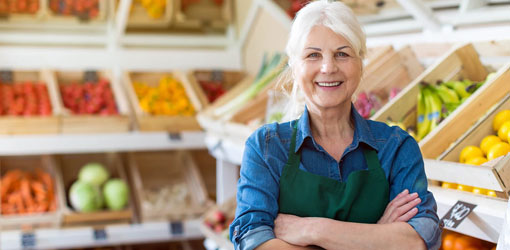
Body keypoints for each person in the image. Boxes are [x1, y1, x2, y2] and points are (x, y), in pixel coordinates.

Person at [229, 1, 442, 249]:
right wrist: (377, 236)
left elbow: (418, 240)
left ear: (360, 63)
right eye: (313, 55)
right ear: (294, 66)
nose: (328, 67)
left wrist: (314, 230)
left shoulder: (396, 147)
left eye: (342, 53)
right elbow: (253, 241)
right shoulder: (266, 148)